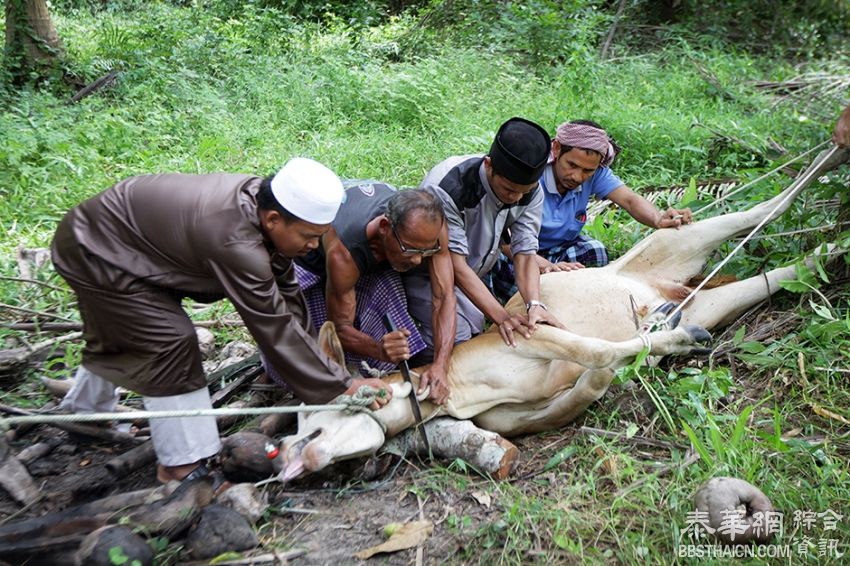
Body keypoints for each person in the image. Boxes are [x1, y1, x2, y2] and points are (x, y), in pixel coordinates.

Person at [52, 158, 391, 484]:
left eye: (320, 235)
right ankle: (183, 466)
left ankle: (86, 413)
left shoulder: (259, 209)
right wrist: (342, 385)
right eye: (308, 236)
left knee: (125, 330)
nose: (314, 245)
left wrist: (323, 367)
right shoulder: (236, 241)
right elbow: (274, 326)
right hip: (97, 248)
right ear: (274, 220)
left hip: (129, 244)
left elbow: (287, 300)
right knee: (168, 341)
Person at [404, 116, 565, 359]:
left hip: (469, 274)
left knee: (473, 329)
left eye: (525, 191)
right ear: (488, 165)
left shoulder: (530, 191)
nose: (517, 198)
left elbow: (524, 252)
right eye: (509, 190)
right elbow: (454, 264)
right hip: (425, 272)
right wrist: (502, 316)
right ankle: (406, 360)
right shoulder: (450, 186)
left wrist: (535, 304)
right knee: (456, 338)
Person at [283, 181, 456, 404]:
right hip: (317, 265)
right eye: (410, 249)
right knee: (310, 349)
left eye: (426, 251)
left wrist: (440, 364)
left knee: (391, 298)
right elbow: (340, 328)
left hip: (374, 256)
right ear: (384, 227)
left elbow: (443, 296)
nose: (417, 260)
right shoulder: (343, 253)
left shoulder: (431, 226)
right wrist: (378, 349)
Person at [491, 119, 693, 301]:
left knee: (594, 251)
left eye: (588, 171)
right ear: (556, 149)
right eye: (572, 165)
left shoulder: (598, 174)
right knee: (503, 273)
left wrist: (658, 219)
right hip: (519, 253)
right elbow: (504, 239)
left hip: (559, 249)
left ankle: (558, 289)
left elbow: (630, 200)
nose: (577, 177)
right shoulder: (531, 174)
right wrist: (546, 266)